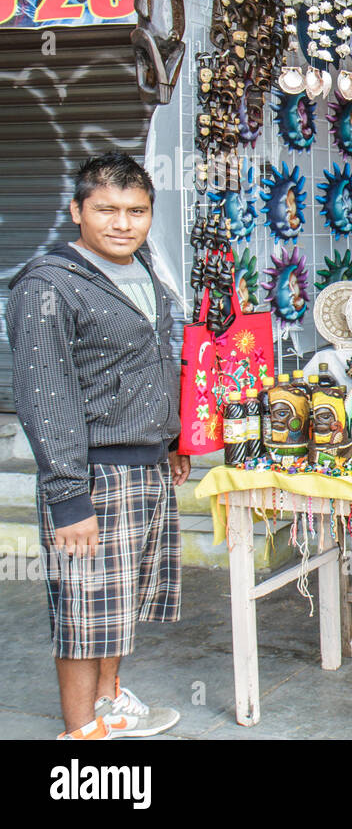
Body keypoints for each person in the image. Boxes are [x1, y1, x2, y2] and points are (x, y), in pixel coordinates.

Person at [6, 152, 188, 740]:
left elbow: (157, 361)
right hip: (91, 474)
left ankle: (111, 702)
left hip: (146, 465)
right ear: (76, 211)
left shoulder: (146, 270)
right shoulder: (46, 285)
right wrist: (68, 498)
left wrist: (173, 438)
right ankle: (81, 733)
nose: (122, 222)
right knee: (84, 608)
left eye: (136, 211)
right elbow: (45, 395)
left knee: (119, 603)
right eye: (106, 209)